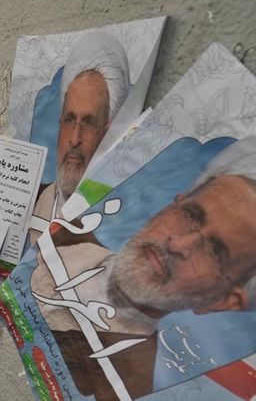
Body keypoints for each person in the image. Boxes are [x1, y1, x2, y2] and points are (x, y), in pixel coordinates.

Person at [30, 137, 256, 400]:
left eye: (215, 251)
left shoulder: (119, 388)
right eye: (191, 215)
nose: (179, 244)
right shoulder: (56, 220)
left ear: (224, 301)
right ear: (173, 203)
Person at [29, 33, 130, 243]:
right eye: (69, 120)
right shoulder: (31, 200)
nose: (75, 139)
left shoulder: (117, 230)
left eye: (89, 123)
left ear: (109, 132)